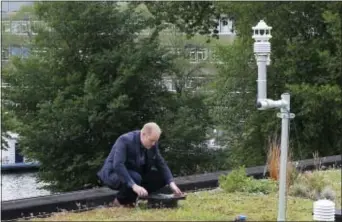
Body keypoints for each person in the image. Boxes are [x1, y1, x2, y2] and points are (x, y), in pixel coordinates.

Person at [97, 122, 183, 207]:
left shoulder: (153, 143)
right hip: (114, 174)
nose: (153, 144)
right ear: (143, 134)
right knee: (135, 177)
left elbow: (161, 163)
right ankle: (120, 201)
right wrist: (133, 185)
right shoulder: (125, 140)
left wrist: (172, 183)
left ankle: (138, 197)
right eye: (151, 140)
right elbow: (118, 165)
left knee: (161, 177)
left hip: (136, 172)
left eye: (155, 141)